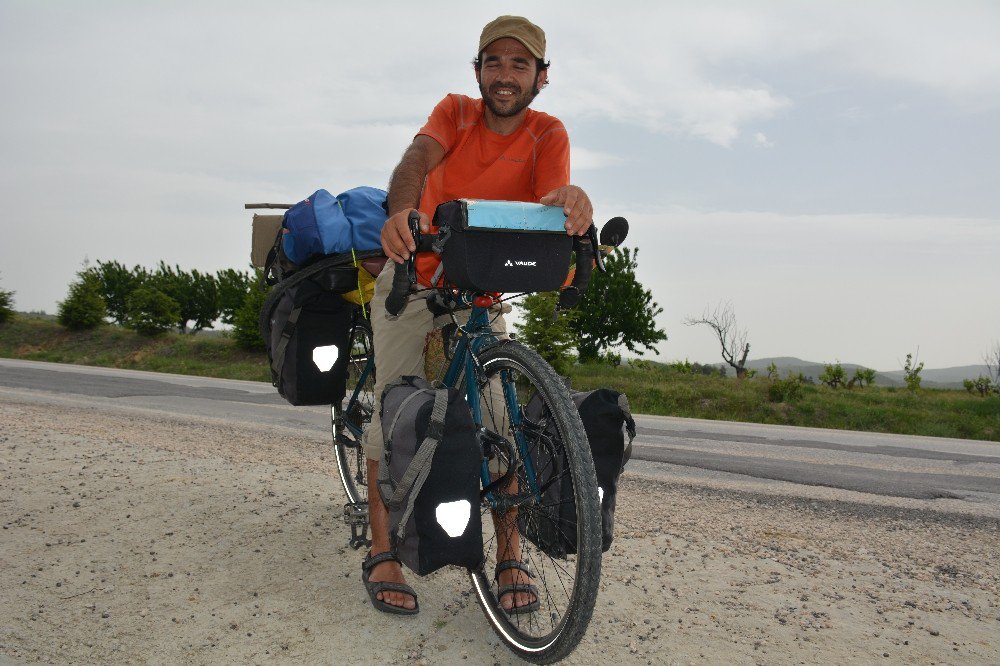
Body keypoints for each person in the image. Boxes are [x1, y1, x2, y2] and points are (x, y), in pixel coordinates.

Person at [361, 15, 594, 615]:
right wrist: (403, 211)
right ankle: (381, 548)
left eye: (521, 64)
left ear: (542, 77)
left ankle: (509, 554)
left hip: (482, 286)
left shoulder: (548, 134)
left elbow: (550, 201)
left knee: (501, 418)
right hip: (417, 270)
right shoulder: (455, 113)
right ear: (478, 71)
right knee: (392, 400)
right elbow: (416, 159)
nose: (506, 75)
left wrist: (571, 202)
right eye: (494, 63)